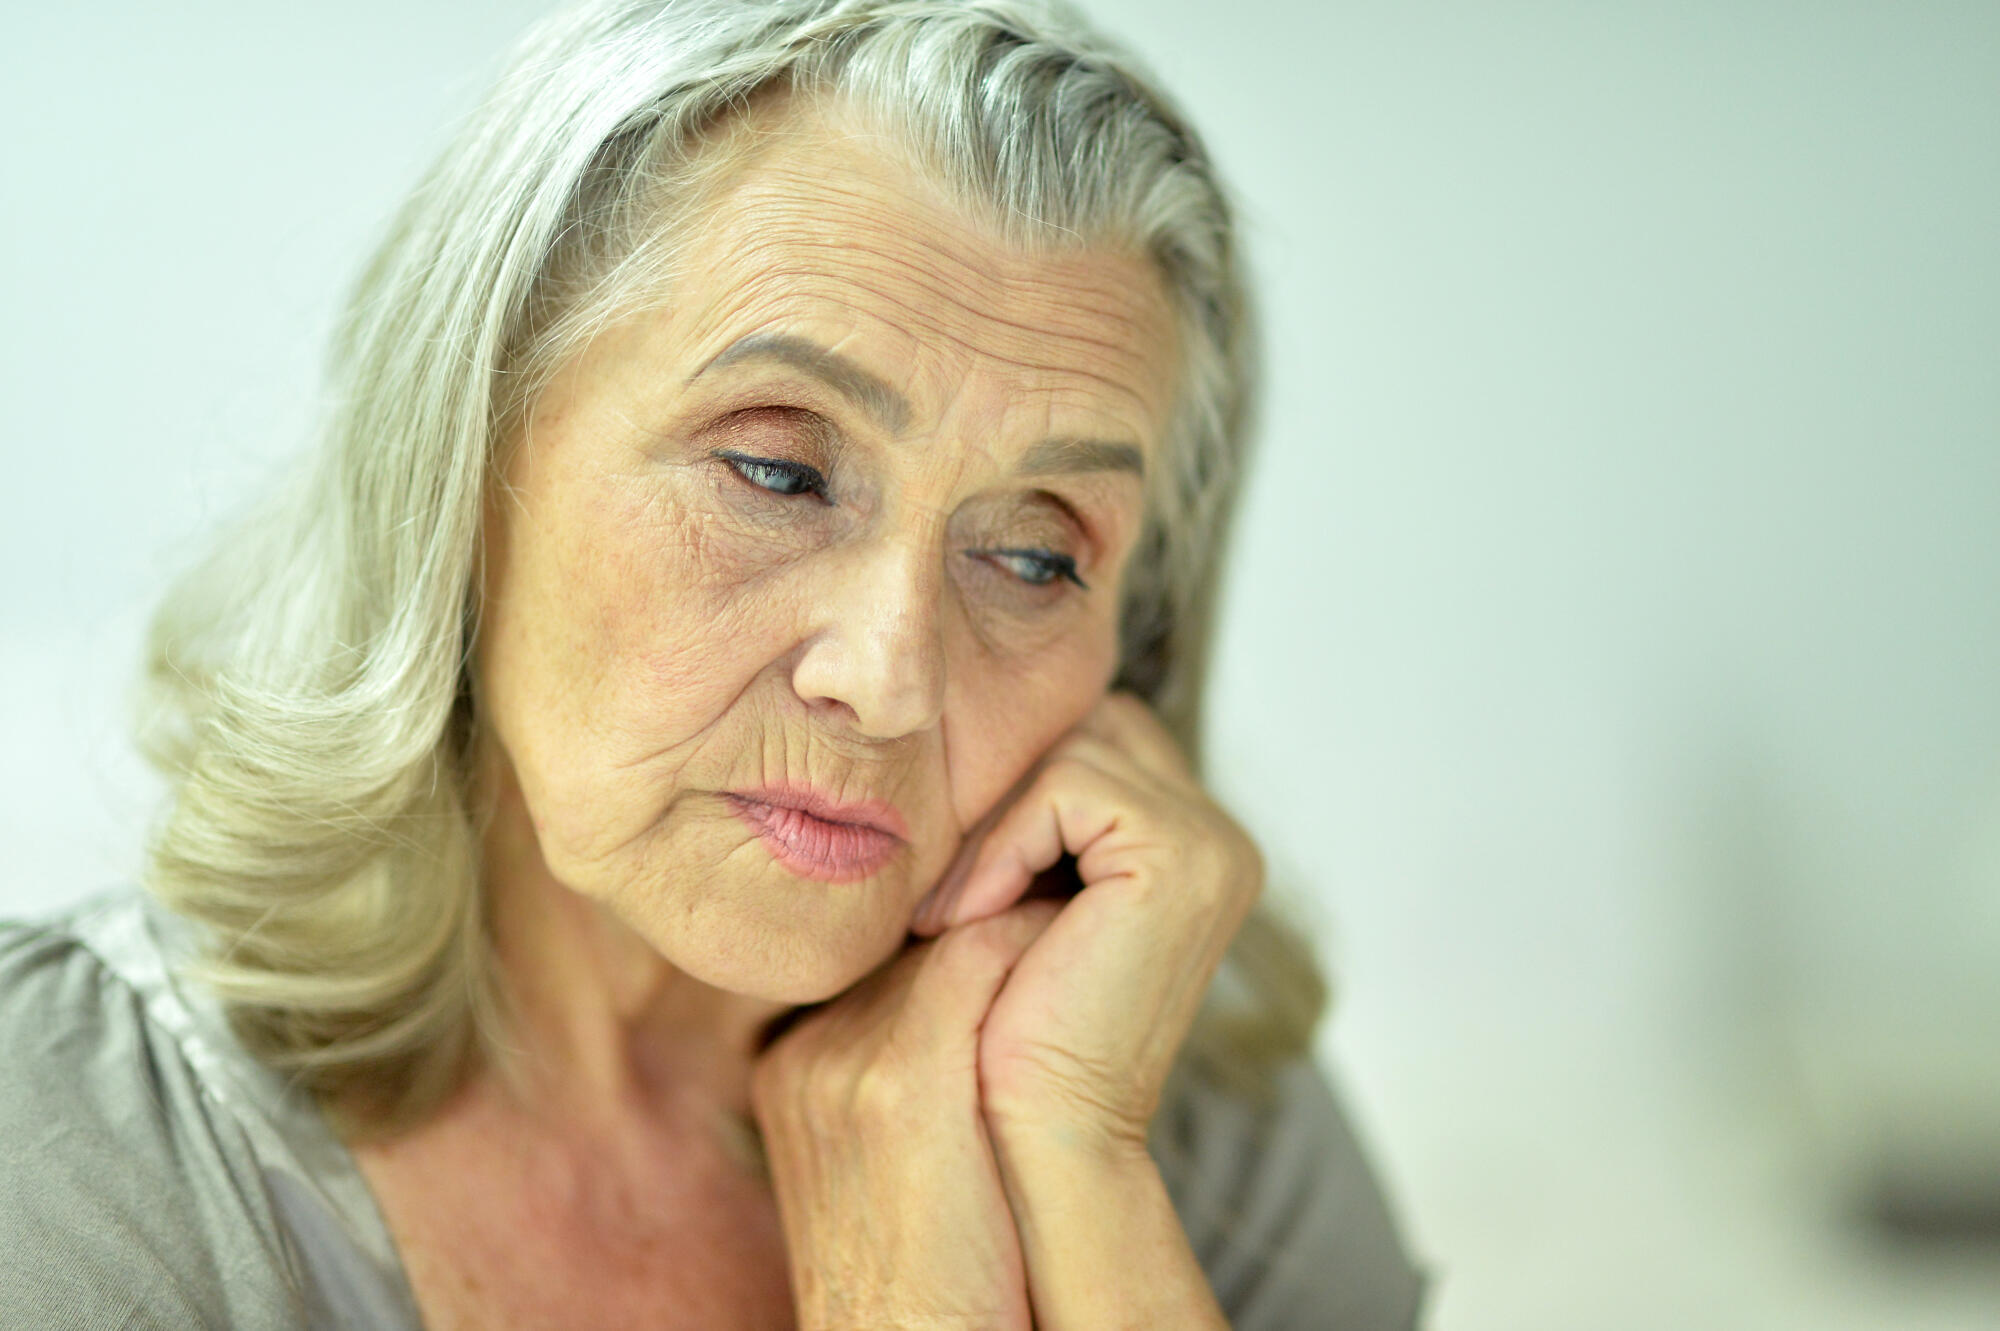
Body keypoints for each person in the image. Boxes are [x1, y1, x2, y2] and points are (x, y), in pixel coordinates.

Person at [0, 1, 1426, 1326]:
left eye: (1037, 555)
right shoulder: (65, 1157)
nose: (888, 678)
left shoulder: (1190, 1128)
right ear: (462, 466)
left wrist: (1064, 1165)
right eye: (776, 471)